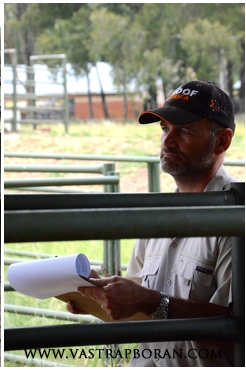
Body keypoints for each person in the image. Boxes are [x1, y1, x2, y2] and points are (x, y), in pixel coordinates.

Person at [68, 81, 236, 366]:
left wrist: (152, 302)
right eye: (164, 129)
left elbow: (237, 329)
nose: (168, 141)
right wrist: (101, 296)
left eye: (183, 131)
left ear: (222, 141)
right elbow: (140, 303)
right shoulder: (157, 215)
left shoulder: (236, 218)